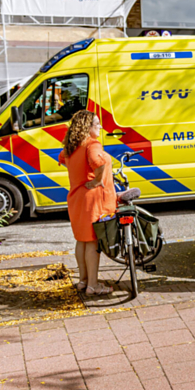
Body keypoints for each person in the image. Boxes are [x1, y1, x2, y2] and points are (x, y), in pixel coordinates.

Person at [58, 110, 116, 295]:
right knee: (92, 242)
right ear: (87, 127)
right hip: (91, 198)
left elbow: (63, 159)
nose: (100, 127)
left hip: (76, 196)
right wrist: (97, 180)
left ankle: (83, 281)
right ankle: (93, 285)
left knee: (81, 240)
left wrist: (81, 176)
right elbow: (98, 163)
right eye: (97, 124)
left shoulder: (72, 146)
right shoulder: (92, 144)